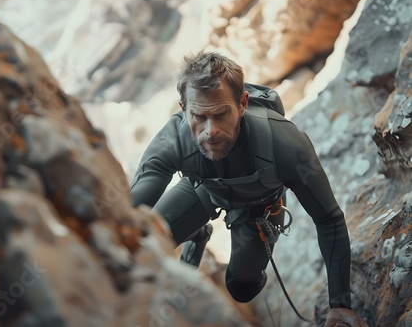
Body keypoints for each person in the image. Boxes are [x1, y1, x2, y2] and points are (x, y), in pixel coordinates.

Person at [130, 51, 368, 327]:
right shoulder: (173, 140)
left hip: (261, 208)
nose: (211, 130)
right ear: (183, 108)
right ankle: (197, 233)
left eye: (221, 114)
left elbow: (329, 219)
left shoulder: (284, 144)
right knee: (146, 243)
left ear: (242, 103)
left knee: (241, 288)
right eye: (199, 116)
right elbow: (132, 209)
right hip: (202, 190)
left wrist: (340, 304)